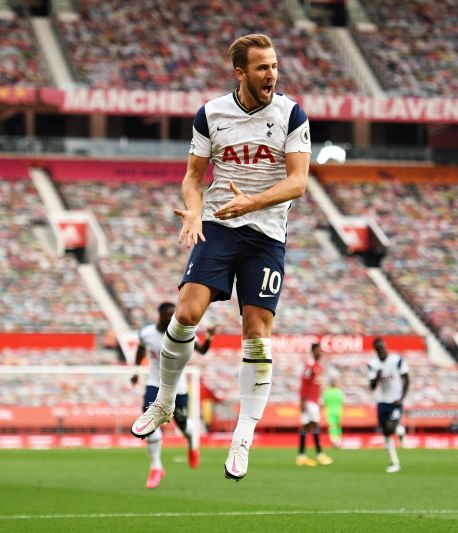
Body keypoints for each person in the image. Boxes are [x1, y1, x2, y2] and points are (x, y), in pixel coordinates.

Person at [130, 33, 311, 483]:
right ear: (240, 73)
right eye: (262, 67)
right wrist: (194, 210)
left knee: (257, 332)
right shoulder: (211, 114)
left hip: (266, 234)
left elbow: (298, 182)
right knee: (186, 313)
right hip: (218, 226)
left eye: (274, 66)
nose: (272, 74)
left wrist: (249, 203)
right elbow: (193, 177)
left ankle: (243, 434)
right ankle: (164, 401)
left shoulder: (291, 114)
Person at [131, 302, 216, 489]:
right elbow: (140, 349)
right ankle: (156, 467)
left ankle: (192, 444)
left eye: (173, 314)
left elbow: (202, 350)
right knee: (148, 423)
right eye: (167, 315)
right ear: (159, 315)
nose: (171, 318)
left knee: (182, 424)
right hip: (155, 385)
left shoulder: (181, 333)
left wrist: (209, 337)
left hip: (179, 388)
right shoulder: (147, 334)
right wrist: (136, 371)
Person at [368, 337, 410, 473]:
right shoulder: (373, 364)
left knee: (389, 427)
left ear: (385, 347)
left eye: (383, 347)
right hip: (381, 401)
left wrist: (402, 397)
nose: (382, 350)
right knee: (385, 433)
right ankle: (394, 462)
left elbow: (407, 379)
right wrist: (377, 377)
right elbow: (372, 386)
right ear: (376, 350)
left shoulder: (396, 360)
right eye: (378, 348)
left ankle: (399, 430)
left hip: (395, 401)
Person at [297, 343, 333, 466]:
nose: (320, 353)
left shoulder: (317, 366)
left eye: (321, 351)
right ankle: (320, 454)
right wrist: (302, 401)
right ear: (313, 352)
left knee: (306, 426)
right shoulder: (310, 365)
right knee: (315, 425)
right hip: (309, 401)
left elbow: (316, 385)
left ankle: (301, 456)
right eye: (318, 351)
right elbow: (304, 383)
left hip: (314, 400)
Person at [323, 377, 345, 448]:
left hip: (330, 411)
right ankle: (339, 441)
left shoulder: (327, 392)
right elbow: (343, 402)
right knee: (338, 426)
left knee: (332, 427)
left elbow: (324, 402)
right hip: (338, 411)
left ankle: (334, 441)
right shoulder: (339, 392)